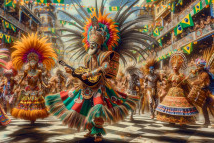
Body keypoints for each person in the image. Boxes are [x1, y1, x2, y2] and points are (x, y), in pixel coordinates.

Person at [45, 0, 158, 141]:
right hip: (86, 86)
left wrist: (91, 73)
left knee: (98, 107)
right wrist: (72, 72)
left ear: (99, 45)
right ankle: (90, 130)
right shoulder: (87, 57)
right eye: (90, 43)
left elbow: (105, 67)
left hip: (100, 86)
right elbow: (82, 71)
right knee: (83, 108)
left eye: (94, 44)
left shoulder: (105, 55)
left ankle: (98, 133)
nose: (91, 46)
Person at [11, 33, 57, 125]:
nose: (32, 63)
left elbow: (41, 81)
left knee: (36, 105)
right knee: (27, 104)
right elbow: (21, 80)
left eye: (33, 61)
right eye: (30, 61)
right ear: (28, 62)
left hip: (36, 90)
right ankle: (29, 116)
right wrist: (17, 85)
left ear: (36, 62)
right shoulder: (26, 71)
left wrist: (46, 85)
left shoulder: (39, 72)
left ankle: (34, 117)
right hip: (28, 89)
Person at [156, 51, 198, 125]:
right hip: (171, 91)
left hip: (180, 92)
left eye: (177, 66)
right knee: (170, 105)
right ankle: (171, 120)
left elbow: (185, 84)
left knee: (180, 106)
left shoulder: (182, 75)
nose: (175, 67)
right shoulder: (171, 75)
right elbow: (168, 83)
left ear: (179, 67)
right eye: (174, 66)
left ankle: (182, 120)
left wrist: (184, 81)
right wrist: (164, 84)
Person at [191, 47, 214, 127]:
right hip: (204, 92)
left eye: (198, 66)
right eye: (197, 65)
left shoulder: (204, 73)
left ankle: (208, 122)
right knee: (204, 107)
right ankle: (207, 122)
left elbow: (201, 81)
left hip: (209, 92)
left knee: (210, 107)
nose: (197, 67)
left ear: (201, 66)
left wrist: (193, 82)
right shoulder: (200, 72)